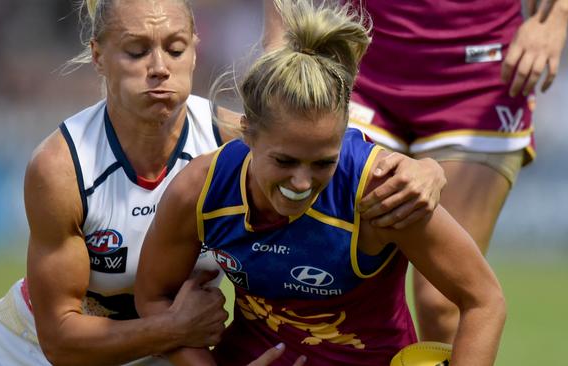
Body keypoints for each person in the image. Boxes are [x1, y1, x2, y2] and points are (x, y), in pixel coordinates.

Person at [0, 0, 447, 365]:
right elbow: (60, 339)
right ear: (99, 56)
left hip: (167, 352)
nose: (159, 68)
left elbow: (331, 149)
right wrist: (173, 327)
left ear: (195, 52)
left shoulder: (238, 141)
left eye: (174, 47)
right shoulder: (63, 167)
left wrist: (427, 171)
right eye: (136, 51)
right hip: (30, 349)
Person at [135, 1, 506, 365]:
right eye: (285, 161)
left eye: (323, 163)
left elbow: (483, 300)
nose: (300, 181)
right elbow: (154, 296)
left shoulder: (380, 190)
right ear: (246, 131)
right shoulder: (202, 189)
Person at [263, 0, 568, 342]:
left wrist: (553, 19)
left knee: (443, 299)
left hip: (481, 75)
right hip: (358, 63)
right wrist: (276, 44)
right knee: (328, 267)